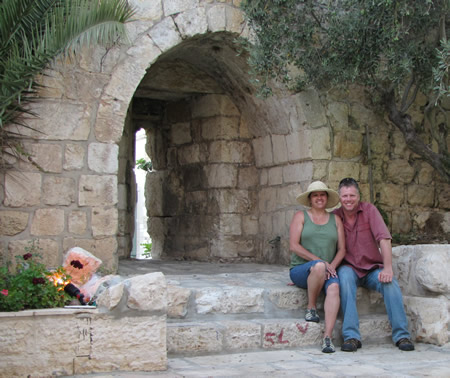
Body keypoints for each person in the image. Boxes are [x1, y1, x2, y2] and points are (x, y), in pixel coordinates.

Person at [333, 177, 414, 352]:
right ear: (340, 198)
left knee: (390, 283)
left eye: (352, 195)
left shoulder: (370, 211)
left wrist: (388, 268)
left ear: (358, 196)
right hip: (349, 268)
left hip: (371, 269)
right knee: (345, 279)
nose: (348, 199)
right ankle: (351, 337)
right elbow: (323, 244)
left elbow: (384, 239)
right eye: (345, 196)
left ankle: (402, 335)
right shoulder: (334, 217)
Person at [289, 181, 346, 353]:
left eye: (322, 194)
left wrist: (332, 267)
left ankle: (327, 338)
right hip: (301, 269)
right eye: (315, 195)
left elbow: (342, 249)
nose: (319, 198)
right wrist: (320, 262)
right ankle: (311, 308)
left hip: (326, 269)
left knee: (335, 286)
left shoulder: (336, 220)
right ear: (310, 199)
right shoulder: (301, 216)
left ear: (327, 198)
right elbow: (294, 245)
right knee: (319, 266)